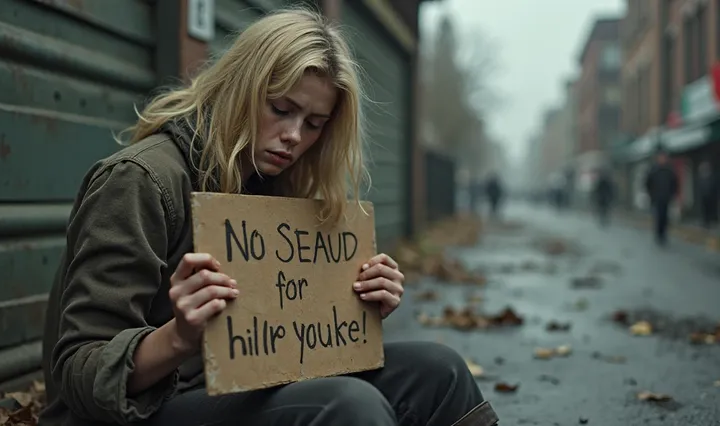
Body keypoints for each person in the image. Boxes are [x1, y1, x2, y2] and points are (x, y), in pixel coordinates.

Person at [38, 8, 498, 426]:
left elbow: (290, 344)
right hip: (137, 411)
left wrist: (356, 305)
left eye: (315, 124)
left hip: (239, 388)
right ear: (241, 87)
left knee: (441, 372)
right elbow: (79, 370)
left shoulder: (280, 187)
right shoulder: (142, 180)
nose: (294, 136)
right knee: (348, 406)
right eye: (281, 109)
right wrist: (179, 335)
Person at [644, 146, 678, 245]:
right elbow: (647, 183)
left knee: (665, 217)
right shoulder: (653, 170)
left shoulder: (669, 170)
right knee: (658, 216)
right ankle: (659, 234)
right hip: (656, 198)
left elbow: (674, 183)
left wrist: (672, 194)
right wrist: (651, 194)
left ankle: (664, 234)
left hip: (666, 197)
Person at [697, 160, 718, 228]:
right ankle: (705, 222)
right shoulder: (701, 177)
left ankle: (710, 221)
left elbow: (714, 187)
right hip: (704, 196)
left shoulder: (711, 176)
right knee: (704, 210)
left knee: (710, 210)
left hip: (711, 196)